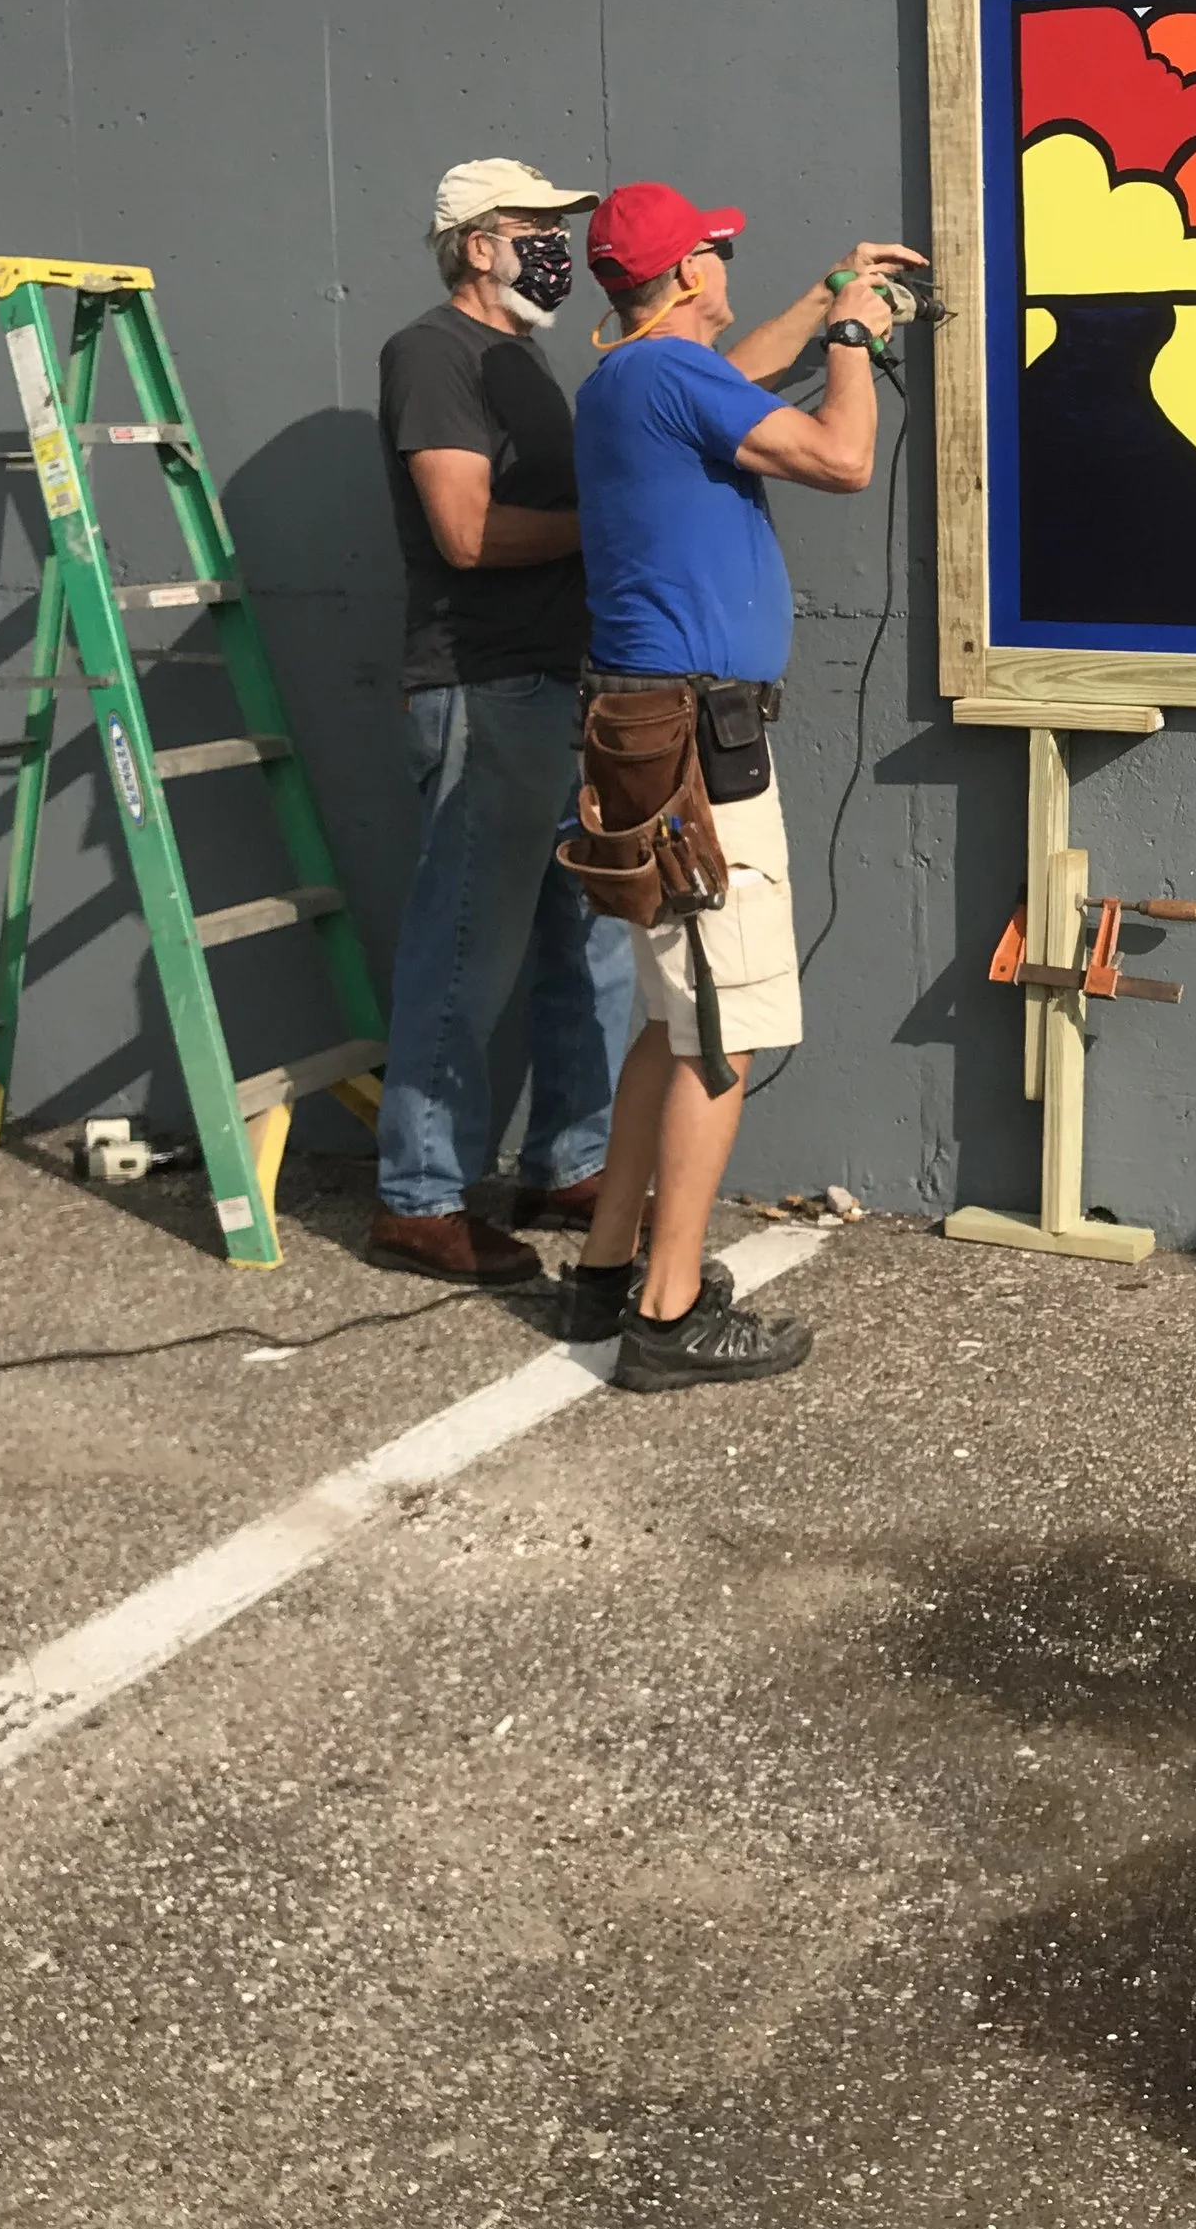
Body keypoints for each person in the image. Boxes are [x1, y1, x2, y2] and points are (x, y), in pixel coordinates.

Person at [561, 179, 921, 1388]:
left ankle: (606, 1271)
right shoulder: (672, 376)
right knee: (725, 1028)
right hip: (696, 742)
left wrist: (824, 296)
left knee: (673, 1017)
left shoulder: (632, 375)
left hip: (648, 727)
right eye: (715, 251)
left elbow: (736, 376)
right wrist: (853, 335)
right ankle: (666, 1320)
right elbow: (843, 457)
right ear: (687, 275)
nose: (726, 264)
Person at [369, 158, 638, 1283]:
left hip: (563, 684)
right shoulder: (433, 352)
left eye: (559, 231)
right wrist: (610, 523)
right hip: (487, 690)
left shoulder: (522, 358)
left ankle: (571, 1163)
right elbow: (467, 534)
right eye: (535, 229)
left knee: (592, 937)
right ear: (477, 244)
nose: (556, 249)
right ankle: (419, 1198)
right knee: (466, 950)